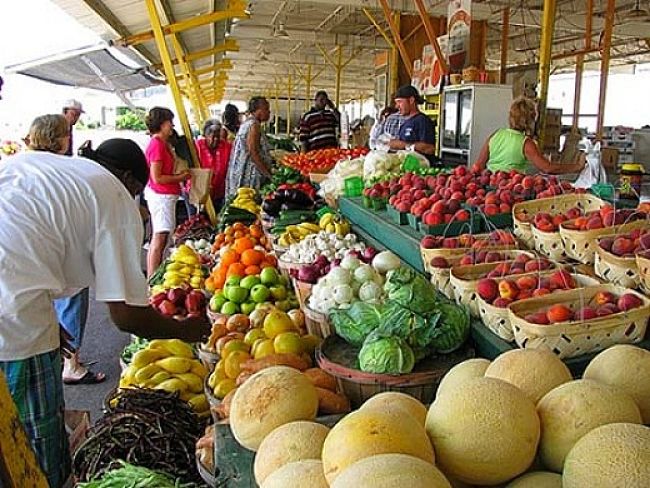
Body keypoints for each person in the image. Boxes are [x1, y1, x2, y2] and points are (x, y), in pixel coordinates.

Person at [0, 114, 211, 487]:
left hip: (16, 299)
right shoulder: (112, 194)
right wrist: (187, 329)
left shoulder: (50, 167)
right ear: (130, 179)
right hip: (14, 317)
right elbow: (126, 317)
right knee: (33, 445)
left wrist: (44, 320)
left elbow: (23, 239)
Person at [473, 97, 585, 174]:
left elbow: (478, 166)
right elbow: (548, 168)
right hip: (510, 189)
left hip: (490, 187)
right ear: (531, 120)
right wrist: (577, 166)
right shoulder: (526, 143)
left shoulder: (496, 135)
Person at [143, 107, 191, 278]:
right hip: (161, 196)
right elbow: (157, 177)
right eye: (169, 122)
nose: (172, 125)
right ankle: (152, 278)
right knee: (160, 238)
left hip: (164, 196)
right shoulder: (157, 145)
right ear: (161, 124)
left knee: (160, 237)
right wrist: (181, 177)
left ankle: (152, 276)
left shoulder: (163, 144)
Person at [225, 96, 273, 197]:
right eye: (266, 109)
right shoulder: (254, 125)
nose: (269, 112)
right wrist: (267, 174)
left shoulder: (248, 123)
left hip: (243, 173)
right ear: (259, 111)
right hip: (249, 176)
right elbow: (253, 152)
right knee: (248, 202)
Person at [389, 85, 437, 164]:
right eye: (396, 103)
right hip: (407, 169)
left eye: (399, 102)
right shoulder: (405, 123)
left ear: (411, 100)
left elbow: (430, 148)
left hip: (421, 171)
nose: (397, 106)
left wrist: (404, 145)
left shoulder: (423, 121)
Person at [196, 119, 231, 210]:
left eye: (218, 136)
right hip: (198, 192)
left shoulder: (227, 147)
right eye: (212, 136)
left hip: (219, 192)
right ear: (205, 135)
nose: (216, 139)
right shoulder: (197, 147)